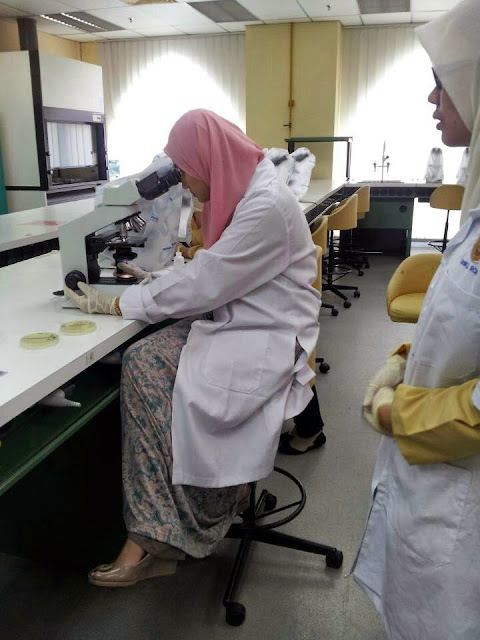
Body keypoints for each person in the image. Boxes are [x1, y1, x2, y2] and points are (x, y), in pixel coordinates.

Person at [64, 109, 321, 587]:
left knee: (143, 363)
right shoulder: (248, 189)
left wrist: (118, 303)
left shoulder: (265, 204)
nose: (182, 181)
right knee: (151, 356)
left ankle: (151, 538)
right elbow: (216, 266)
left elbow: (209, 280)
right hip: (243, 320)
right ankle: (207, 504)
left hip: (265, 336)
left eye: (184, 170)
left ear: (210, 160)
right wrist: (154, 280)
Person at [352, 2, 480, 638]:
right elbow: (461, 326)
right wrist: (405, 360)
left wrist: (396, 413)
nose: (432, 98)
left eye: (442, 81)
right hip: (435, 487)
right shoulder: (478, 212)